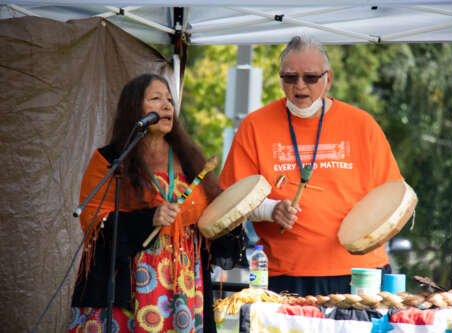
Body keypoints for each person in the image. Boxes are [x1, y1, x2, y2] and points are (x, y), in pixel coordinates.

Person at [219, 36, 403, 296]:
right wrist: (271, 210)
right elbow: (231, 200)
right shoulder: (254, 126)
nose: (300, 86)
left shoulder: (362, 125)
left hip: (360, 273)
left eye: (311, 77)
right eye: (290, 78)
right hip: (285, 275)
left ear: (328, 79)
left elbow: (392, 197)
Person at [69, 73, 246, 332]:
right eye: (155, 99)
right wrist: (148, 218)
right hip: (128, 283)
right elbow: (94, 220)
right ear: (134, 109)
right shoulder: (110, 159)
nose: (166, 106)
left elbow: (214, 216)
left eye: (169, 101)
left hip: (186, 285)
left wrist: (233, 219)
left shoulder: (190, 160)